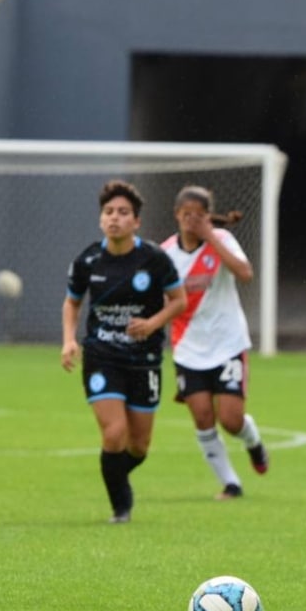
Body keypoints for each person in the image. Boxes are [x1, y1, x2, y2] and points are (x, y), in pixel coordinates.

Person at [61, 180, 187, 524]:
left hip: (144, 359)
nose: (114, 218)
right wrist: (69, 340)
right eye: (108, 212)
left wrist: (152, 323)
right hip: (101, 356)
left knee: (139, 445)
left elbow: (179, 301)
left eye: (123, 213)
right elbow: (72, 303)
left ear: (136, 221)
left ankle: (116, 473)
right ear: (101, 219)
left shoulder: (154, 259)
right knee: (113, 433)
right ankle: (121, 506)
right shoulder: (88, 259)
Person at [162, 185, 270, 500]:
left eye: (198, 215)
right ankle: (231, 484)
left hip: (227, 344)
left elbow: (245, 273)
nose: (191, 221)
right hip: (188, 348)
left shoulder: (221, 241)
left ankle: (253, 443)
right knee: (202, 418)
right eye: (186, 215)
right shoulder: (166, 252)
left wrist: (211, 236)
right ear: (176, 216)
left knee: (231, 419)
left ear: (208, 217)